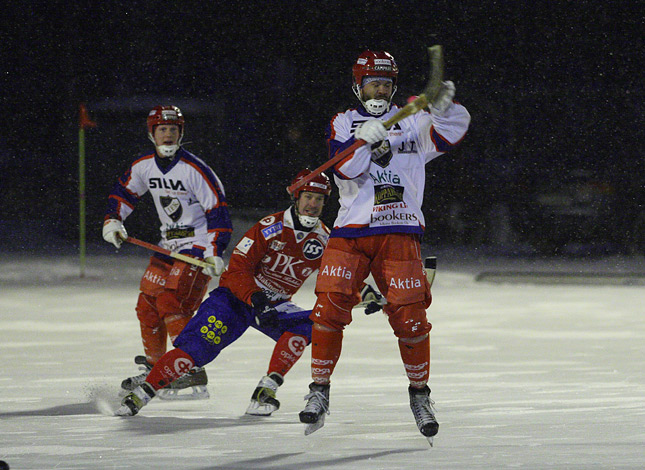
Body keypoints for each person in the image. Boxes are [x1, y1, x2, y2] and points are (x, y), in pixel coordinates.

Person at [297, 50, 471, 442]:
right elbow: (346, 169)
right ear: (358, 86)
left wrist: (445, 109)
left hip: (400, 229)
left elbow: (455, 131)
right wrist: (361, 139)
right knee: (327, 310)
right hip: (351, 231)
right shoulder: (343, 120)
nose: (380, 89)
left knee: (411, 318)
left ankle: (420, 395)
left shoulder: (414, 119)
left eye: (386, 83)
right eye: (373, 83)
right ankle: (319, 392)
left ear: (394, 87)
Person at [115, 169, 337, 416]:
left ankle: (267, 389)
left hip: (273, 306)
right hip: (234, 301)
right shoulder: (269, 227)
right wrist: (256, 298)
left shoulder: (325, 239)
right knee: (195, 351)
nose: (313, 204)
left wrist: (365, 293)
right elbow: (236, 272)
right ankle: (141, 395)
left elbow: (338, 277)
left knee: (312, 326)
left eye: (319, 199)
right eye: (308, 197)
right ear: (296, 198)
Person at [103, 105, 232, 399]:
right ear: (152, 133)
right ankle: (155, 367)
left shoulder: (196, 169)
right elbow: (123, 193)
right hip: (168, 246)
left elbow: (218, 212)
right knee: (147, 304)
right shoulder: (143, 166)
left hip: (197, 246)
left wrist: (214, 250)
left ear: (181, 133)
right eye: (162, 129)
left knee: (170, 301)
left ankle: (191, 369)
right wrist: (113, 220)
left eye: (174, 130)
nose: (168, 135)